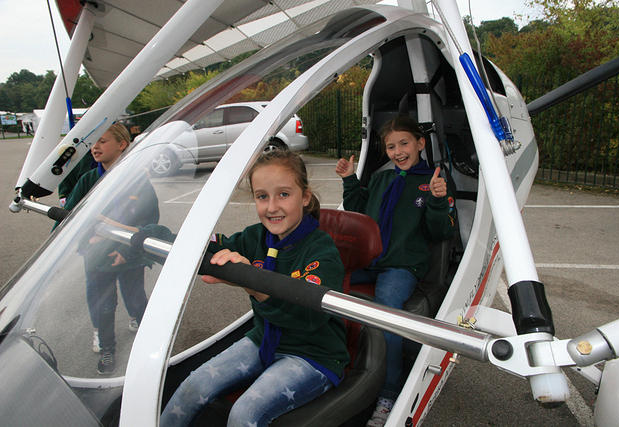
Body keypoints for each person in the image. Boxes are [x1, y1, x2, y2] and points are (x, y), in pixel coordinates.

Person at [160, 150, 350, 427]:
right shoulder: (255, 237)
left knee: (243, 413)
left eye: (283, 194)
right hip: (264, 339)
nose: (272, 207)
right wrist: (157, 237)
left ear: (305, 197)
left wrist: (251, 281)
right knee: (193, 386)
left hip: (312, 353)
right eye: (262, 196)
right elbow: (209, 246)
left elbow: (308, 317)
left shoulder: (322, 251)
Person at [335, 115, 456, 427]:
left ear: (420, 143)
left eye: (404, 143)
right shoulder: (382, 178)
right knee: (326, 284)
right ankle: (327, 361)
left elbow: (440, 232)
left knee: (387, 313)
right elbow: (358, 207)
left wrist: (439, 201)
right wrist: (350, 178)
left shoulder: (432, 181)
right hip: (371, 260)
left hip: (401, 267)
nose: (398, 151)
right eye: (391, 146)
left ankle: (389, 394)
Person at [60, 123, 159, 374]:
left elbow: (149, 222)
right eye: (94, 142)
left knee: (136, 298)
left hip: (130, 257)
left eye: (102, 141)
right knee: (103, 305)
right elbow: (68, 220)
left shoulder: (138, 182)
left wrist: (126, 252)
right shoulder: (86, 181)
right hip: (97, 260)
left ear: (122, 144)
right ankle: (107, 348)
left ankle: (146, 339)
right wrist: (82, 245)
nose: (95, 146)